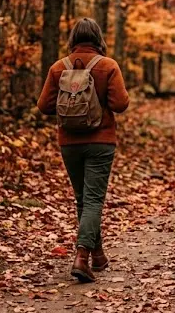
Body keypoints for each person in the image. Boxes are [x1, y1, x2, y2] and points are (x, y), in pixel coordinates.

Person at [37, 18, 130, 282]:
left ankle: (97, 254)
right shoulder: (108, 66)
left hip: (69, 143)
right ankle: (82, 256)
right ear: (98, 38)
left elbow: (43, 106)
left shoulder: (59, 67)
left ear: (73, 39)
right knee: (93, 200)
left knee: (83, 199)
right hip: (101, 141)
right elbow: (120, 104)